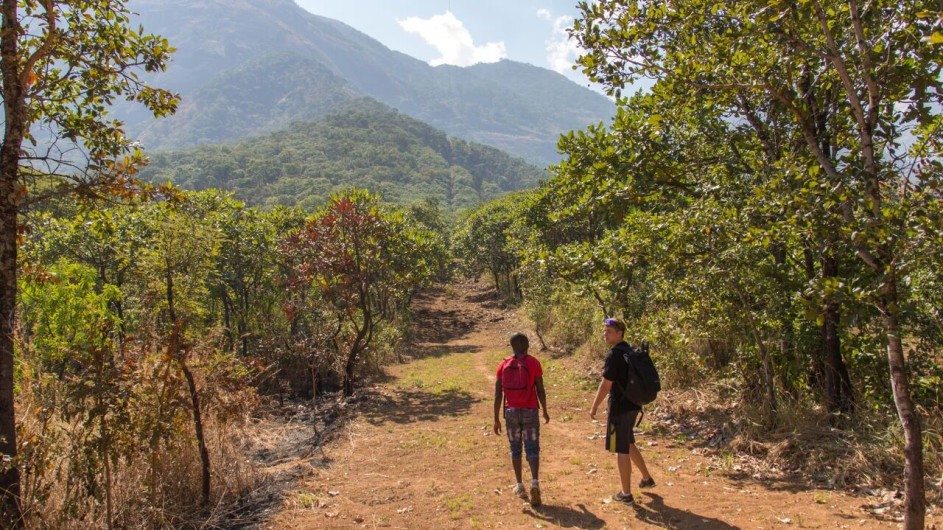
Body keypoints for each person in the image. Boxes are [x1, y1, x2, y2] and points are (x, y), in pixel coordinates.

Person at [589, 317, 655, 504]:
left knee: (620, 448)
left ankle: (625, 494)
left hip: (619, 407)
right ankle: (646, 478)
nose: (605, 334)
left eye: (609, 331)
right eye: (605, 330)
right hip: (633, 405)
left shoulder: (615, 355)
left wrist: (594, 406)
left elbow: (605, 385)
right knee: (628, 442)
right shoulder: (630, 351)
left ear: (620, 333)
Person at [493, 332, 550, 508]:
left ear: (512, 346)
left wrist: (496, 419)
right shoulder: (534, 363)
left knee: (515, 448)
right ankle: (534, 483)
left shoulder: (502, 365)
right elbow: (540, 389)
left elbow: (497, 395)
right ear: (526, 345)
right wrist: (545, 410)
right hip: (530, 411)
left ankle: (519, 485)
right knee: (532, 448)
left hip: (510, 412)